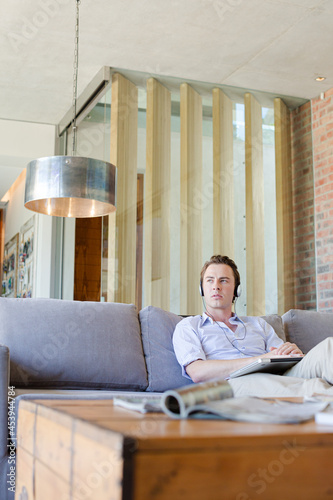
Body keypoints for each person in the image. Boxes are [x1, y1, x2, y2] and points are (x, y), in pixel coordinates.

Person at [173, 255, 333, 387]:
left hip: (279, 376)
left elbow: (280, 357)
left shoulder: (259, 325)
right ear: (202, 289)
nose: (216, 286)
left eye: (223, 280)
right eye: (209, 280)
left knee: (329, 348)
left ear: (237, 290)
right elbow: (197, 373)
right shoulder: (189, 326)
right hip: (233, 384)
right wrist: (258, 361)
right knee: (315, 387)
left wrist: (291, 353)